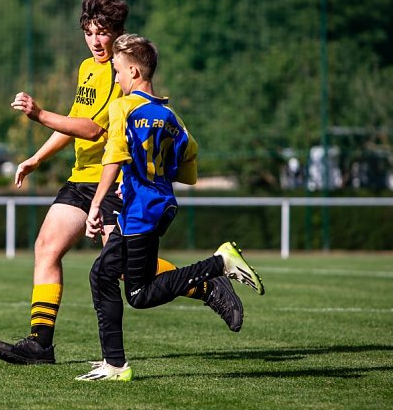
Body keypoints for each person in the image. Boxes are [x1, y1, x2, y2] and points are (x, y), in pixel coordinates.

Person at [0, 0, 244, 366]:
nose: (95, 40)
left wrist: (41, 114)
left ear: (117, 33)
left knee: (126, 270)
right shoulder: (86, 69)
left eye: (103, 32)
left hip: (113, 182)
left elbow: (92, 130)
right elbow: (75, 123)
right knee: (46, 247)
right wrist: (37, 157)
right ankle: (40, 344)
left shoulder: (121, 74)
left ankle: (205, 283)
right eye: (89, 32)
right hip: (81, 178)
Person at [77, 33, 265, 382]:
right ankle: (113, 363)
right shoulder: (170, 115)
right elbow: (189, 163)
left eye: (118, 71)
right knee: (102, 274)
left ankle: (219, 263)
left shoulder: (123, 107)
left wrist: (97, 203)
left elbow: (115, 153)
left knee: (139, 294)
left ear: (133, 71)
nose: (116, 78)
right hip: (159, 204)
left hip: (139, 211)